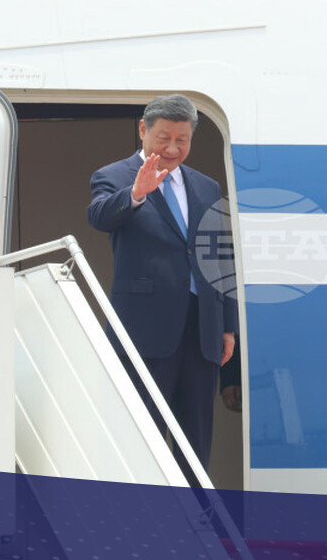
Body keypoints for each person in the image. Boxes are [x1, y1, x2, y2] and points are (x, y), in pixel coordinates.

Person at [87, 94, 237, 469]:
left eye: (182, 140)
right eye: (164, 138)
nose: (172, 149)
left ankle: (195, 506)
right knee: (143, 439)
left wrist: (228, 326)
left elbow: (220, 258)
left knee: (195, 443)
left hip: (201, 331)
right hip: (146, 332)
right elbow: (99, 216)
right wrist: (136, 193)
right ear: (143, 130)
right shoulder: (114, 177)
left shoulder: (206, 187)